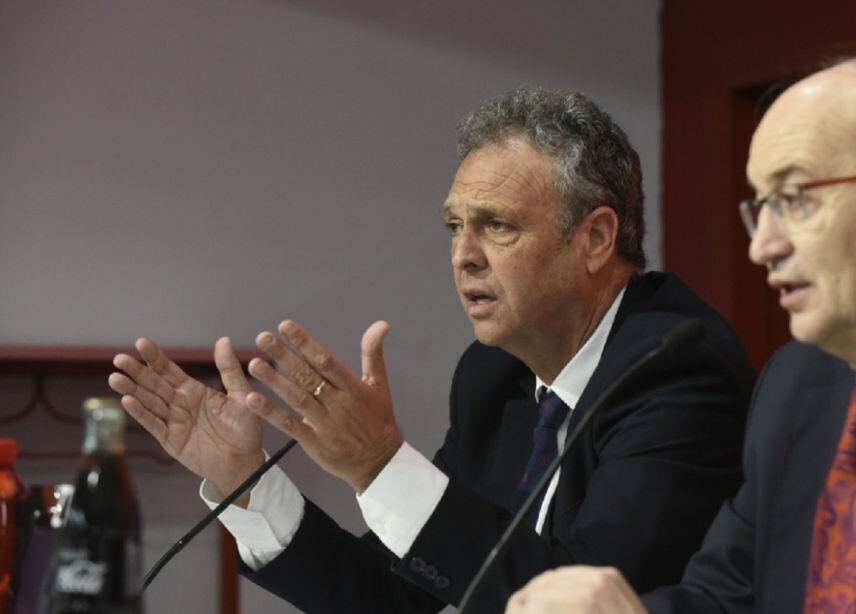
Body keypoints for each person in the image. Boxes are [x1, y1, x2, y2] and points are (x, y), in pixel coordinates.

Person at [107, 86, 756, 612]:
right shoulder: (493, 377)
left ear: (595, 239)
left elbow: (583, 597)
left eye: (496, 226)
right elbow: (391, 596)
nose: (463, 256)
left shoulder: (676, 370)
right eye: (454, 226)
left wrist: (379, 466)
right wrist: (244, 483)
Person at [505, 55, 856, 613]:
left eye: (796, 199)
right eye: (762, 206)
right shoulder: (799, 378)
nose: (763, 246)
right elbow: (723, 596)